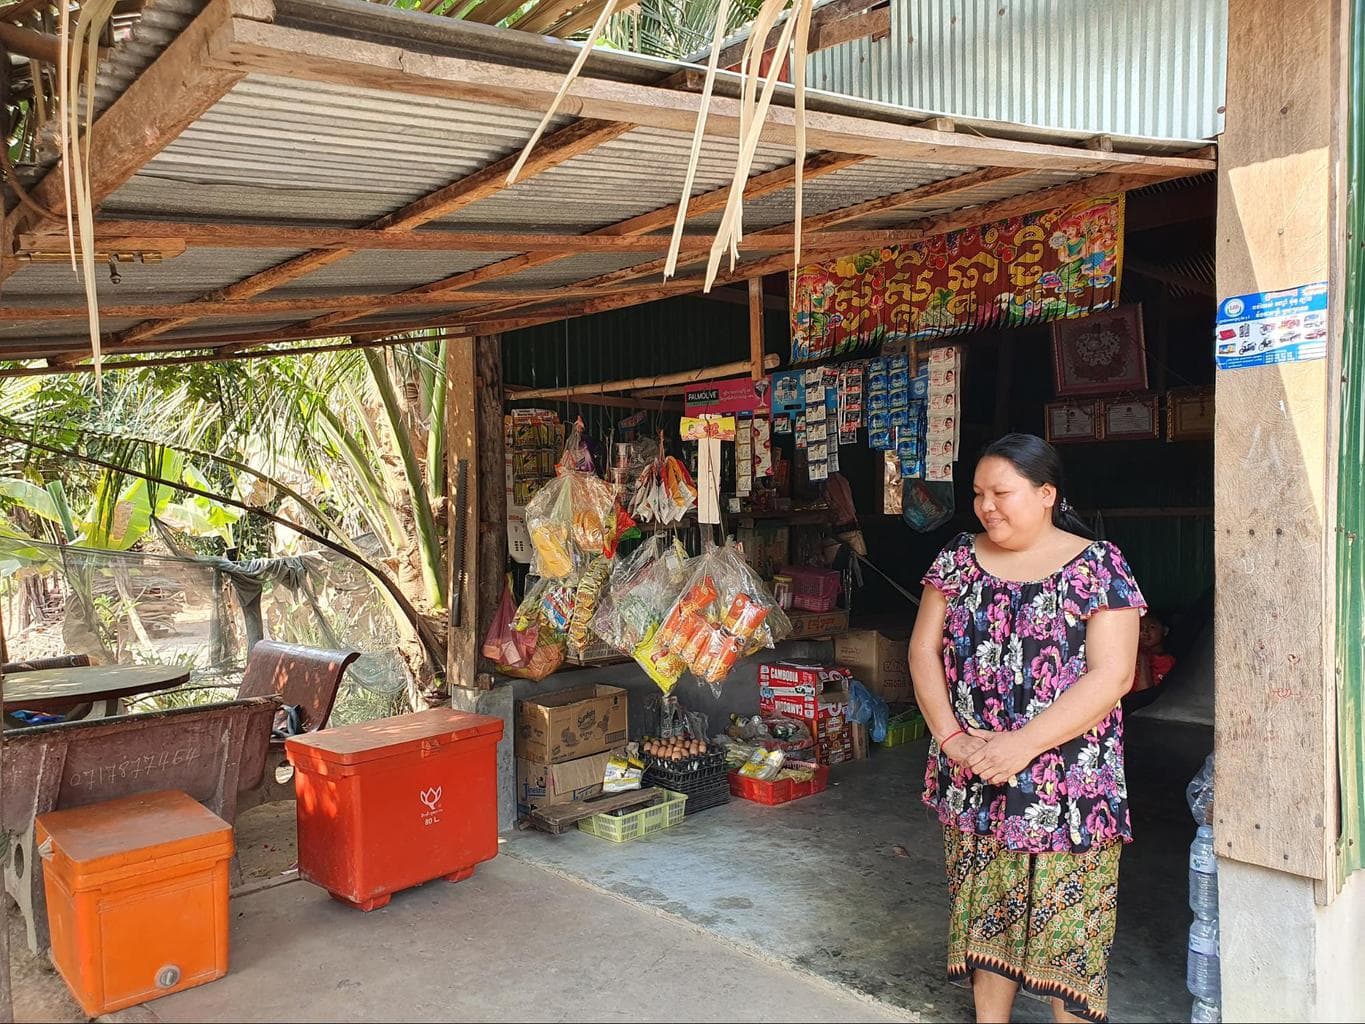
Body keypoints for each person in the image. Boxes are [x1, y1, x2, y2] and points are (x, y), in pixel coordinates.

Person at [910, 433, 1145, 1024]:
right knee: (985, 912)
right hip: (976, 776)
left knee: (1070, 932)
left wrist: (1022, 744)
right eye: (979, 494)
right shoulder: (957, 560)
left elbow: (1113, 675)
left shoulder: (1099, 565)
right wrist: (951, 739)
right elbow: (922, 651)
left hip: (1071, 787)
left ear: (1046, 494)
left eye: (1002, 492)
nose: (987, 506)